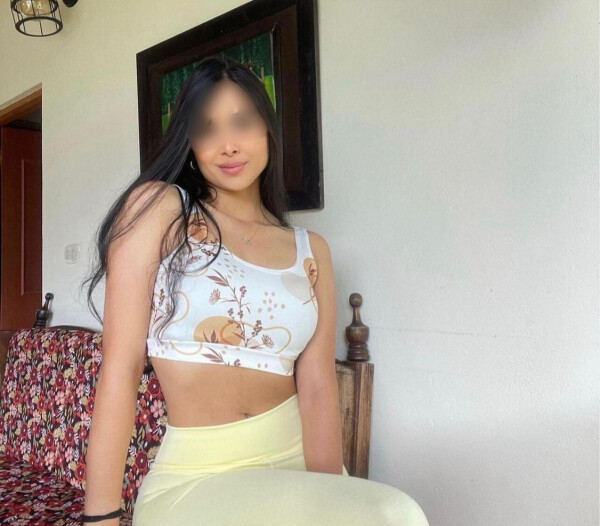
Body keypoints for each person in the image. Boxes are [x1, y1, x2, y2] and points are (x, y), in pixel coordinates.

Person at [81, 55, 429, 525]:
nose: (228, 144)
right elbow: (120, 368)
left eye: (242, 122)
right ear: (190, 145)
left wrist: (330, 494)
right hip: (196, 478)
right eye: (207, 128)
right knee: (396, 514)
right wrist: (100, 517)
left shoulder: (311, 250)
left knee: (385, 516)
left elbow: (317, 387)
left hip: (296, 463)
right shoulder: (160, 209)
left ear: (267, 129)